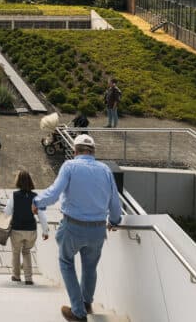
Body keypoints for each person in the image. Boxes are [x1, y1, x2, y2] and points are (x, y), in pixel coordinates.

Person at [35, 133, 122, 322]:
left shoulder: (70, 166)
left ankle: (78, 312)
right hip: (98, 229)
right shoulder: (105, 170)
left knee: (66, 262)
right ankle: (86, 302)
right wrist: (114, 221)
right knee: (90, 267)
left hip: (73, 226)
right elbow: (115, 202)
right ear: (93, 151)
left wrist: (37, 202)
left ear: (74, 151)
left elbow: (54, 193)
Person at [3, 170, 49, 285]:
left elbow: (6, 213)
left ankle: (16, 276)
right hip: (31, 230)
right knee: (27, 252)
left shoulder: (14, 196)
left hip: (17, 229)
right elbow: (42, 215)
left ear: (18, 181)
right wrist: (45, 231)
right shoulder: (35, 197)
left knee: (16, 252)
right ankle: (28, 278)